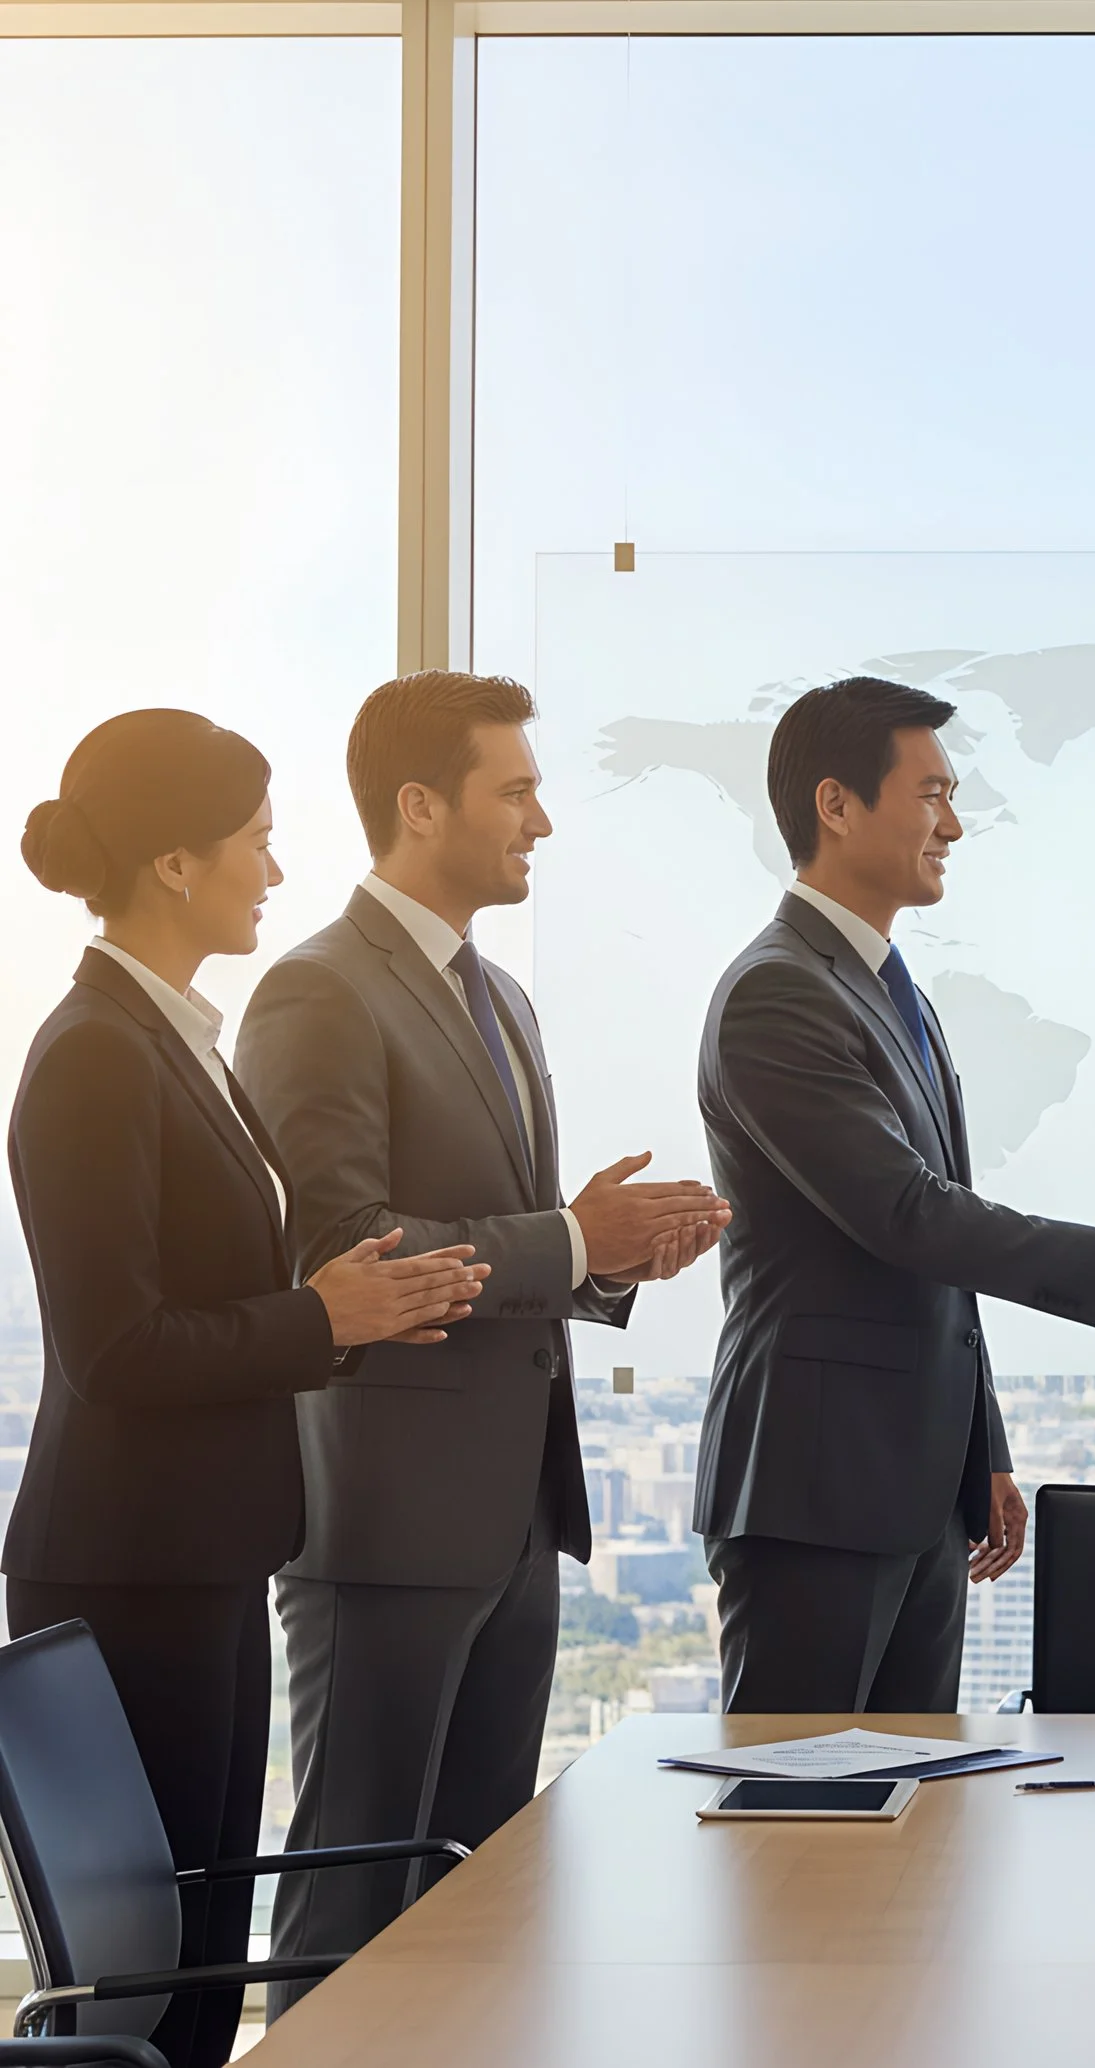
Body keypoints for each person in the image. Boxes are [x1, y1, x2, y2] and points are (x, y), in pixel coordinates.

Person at [237, 672, 727, 2007]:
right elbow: (345, 1246)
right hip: (387, 1531)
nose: (542, 822)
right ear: (417, 806)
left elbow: (511, 1248)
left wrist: (610, 1259)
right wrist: (572, 1240)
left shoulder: (501, 1000)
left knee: (479, 1903)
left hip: (516, 1523)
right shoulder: (316, 992)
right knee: (350, 1908)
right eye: (515, 791)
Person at [9, 710, 486, 2068]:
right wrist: (320, 1317)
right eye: (257, 839)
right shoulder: (96, 1052)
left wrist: (352, 1313)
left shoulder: (178, 1043)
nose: (275, 866)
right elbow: (116, 1349)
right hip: (130, 1569)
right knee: (147, 1989)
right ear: (174, 863)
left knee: (192, 1972)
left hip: (202, 1553)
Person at [693, 677, 1095, 1714]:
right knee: (798, 1829)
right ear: (836, 805)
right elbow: (907, 1212)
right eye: (930, 793)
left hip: (917, 1491)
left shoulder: (897, 993)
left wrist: (983, 1451)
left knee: (910, 1824)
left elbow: (930, 1259)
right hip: (817, 1492)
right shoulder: (777, 990)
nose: (955, 824)